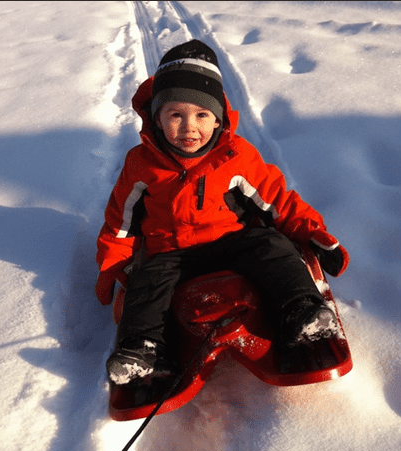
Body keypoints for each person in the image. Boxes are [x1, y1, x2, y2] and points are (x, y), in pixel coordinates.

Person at [95, 40, 349, 386]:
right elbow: (121, 223)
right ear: (156, 117)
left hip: (229, 241)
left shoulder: (236, 157)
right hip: (170, 252)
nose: (189, 127)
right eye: (175, 115)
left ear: (218, 120)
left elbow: (276, 201)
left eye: (202, 115)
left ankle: (302, 311)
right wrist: (113, 265)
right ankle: (144, 349)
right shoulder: (141, 165)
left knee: (271, 245)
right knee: (147, 281)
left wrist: (311, 232)